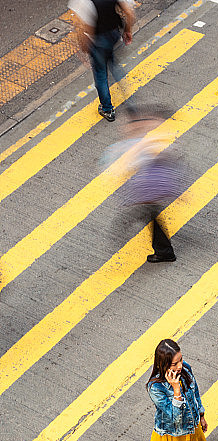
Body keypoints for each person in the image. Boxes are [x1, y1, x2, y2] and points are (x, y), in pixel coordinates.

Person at [105, 109, 181, 263]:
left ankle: (165, 251)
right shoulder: (143, 140)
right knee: (151, 215)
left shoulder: (140, 142)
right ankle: (164, 250)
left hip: (149, 189)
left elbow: (138, 162)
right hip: (150, 188)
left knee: (149, 215)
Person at [69, 0, 134, 122]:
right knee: (113, 64)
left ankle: (107, 110)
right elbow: (129, 13)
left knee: (100, 74)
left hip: (98, 41)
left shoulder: (85, 2)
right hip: (113, 34)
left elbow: (88, 27)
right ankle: (131, 102)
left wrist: (85, 44)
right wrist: (127, 30)